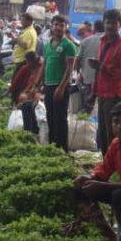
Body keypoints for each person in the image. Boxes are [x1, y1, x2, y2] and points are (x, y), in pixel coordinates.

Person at [91, 9, 121, 154]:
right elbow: (99, 71)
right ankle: (106, 167)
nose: (110, 26)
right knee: (103, 135)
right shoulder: (102, 41)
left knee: (113, 137)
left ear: (119, 25)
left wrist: (103, 68)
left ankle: (115, 170)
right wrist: (93, 91)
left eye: (114, 23)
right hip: (102, 95)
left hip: (115, 97)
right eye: (108, 22)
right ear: (104, 23)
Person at [44, 14, 77, 151]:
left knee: (60, 119)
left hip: (61, 87)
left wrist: (61, 87)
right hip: (48, 85)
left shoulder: (69, 45)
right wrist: (37, 84)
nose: (58, 27)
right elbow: (44, 65)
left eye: (61, 25)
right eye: (56, 24)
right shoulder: (48, 44)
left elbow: (70, 69)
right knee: (50, 117)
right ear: (52, 26)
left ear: (66, 27)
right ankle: (52, 147)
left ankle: (63, 150)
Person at [8, 51, 44, 134]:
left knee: (32, 102)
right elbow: (16, 83)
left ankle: (33, 129)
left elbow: (40, 83)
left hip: (39, 92)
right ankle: (29, 130)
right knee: (24, 101)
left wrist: (36, 89)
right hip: (29, 92)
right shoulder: (25, 68)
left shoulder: (42, 67)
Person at [76, 19, 104, 113]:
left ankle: (87, 124)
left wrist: (79, 72)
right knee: (102, 107)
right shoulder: (109, 40)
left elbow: (78, 60)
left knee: (88, 105)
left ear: (94, 29)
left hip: (87, 78)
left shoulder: (85, 41)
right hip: (104, 80)